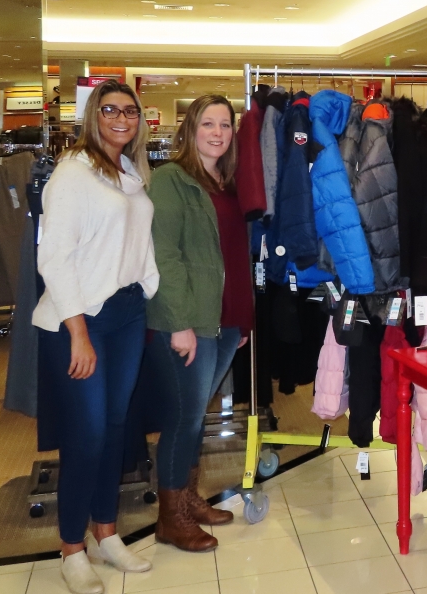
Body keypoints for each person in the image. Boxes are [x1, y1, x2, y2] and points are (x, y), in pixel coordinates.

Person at [34, 80, 159, 594]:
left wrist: (148, 288)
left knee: (114, 426)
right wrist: (78, 332)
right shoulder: (72, 174)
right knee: (85, 436)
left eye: (129, 110)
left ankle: (106, 532)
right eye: (109, 110)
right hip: (80, 320)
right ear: (93, 116)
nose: (120, 118)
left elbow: (137, 239)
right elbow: (53, 258)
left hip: (127, 312)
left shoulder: (129, 171)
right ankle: (70, 547)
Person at [145, 95, 254, 552]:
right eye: (206, 124)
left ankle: (188, 499)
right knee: (184, 417)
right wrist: (178, 323)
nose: (217, 132)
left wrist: (244, 317)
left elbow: (234, 253)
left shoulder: (229, 182)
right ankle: (170, 518)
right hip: (190, 318)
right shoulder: (172, 179)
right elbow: (163, 255)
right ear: (189, 129)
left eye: (225, 125)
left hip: (227, 317)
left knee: (197, 415)